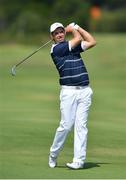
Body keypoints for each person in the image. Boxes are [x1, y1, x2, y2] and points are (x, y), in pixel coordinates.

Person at [48, 22, 96, 169]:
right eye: (56, 33)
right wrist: (72, 29)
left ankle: (78, 161)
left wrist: (77, 27)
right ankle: (53, 154)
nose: (60, 34)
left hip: (84, 91)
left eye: (62, 31)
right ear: (52, 37)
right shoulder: (56, 49)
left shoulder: (72, 47)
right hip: (68, 92)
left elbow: (92, 41)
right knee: (66, 125)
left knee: (81, 126)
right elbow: (77, 39)